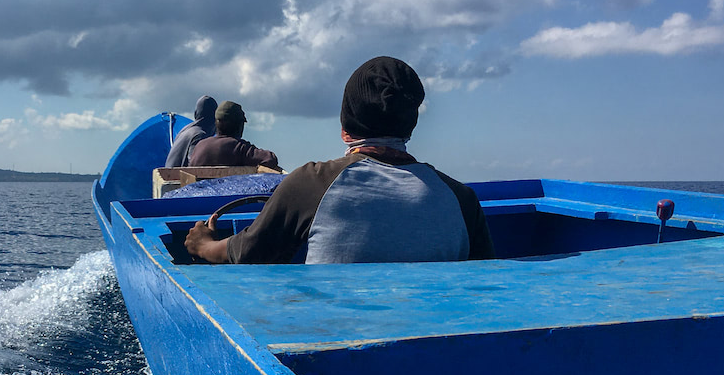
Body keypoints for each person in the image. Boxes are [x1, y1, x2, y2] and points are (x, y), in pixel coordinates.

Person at [185, 56, 494, 265]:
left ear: (345, 129)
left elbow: (247, 253)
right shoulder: (461, 200)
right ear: (411, 125)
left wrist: (203, 245)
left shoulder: (311, 184)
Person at [187, 101, 280, 169]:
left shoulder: (200, 146)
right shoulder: (239, 148)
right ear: (239, 125)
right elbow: (270, 159)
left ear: (216, 123)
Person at [165, 95, 218, 167]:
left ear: (196, 114)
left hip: (168, 176)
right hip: (178, 177)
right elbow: (195, 166)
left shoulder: (185, 130)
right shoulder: (200, 135)